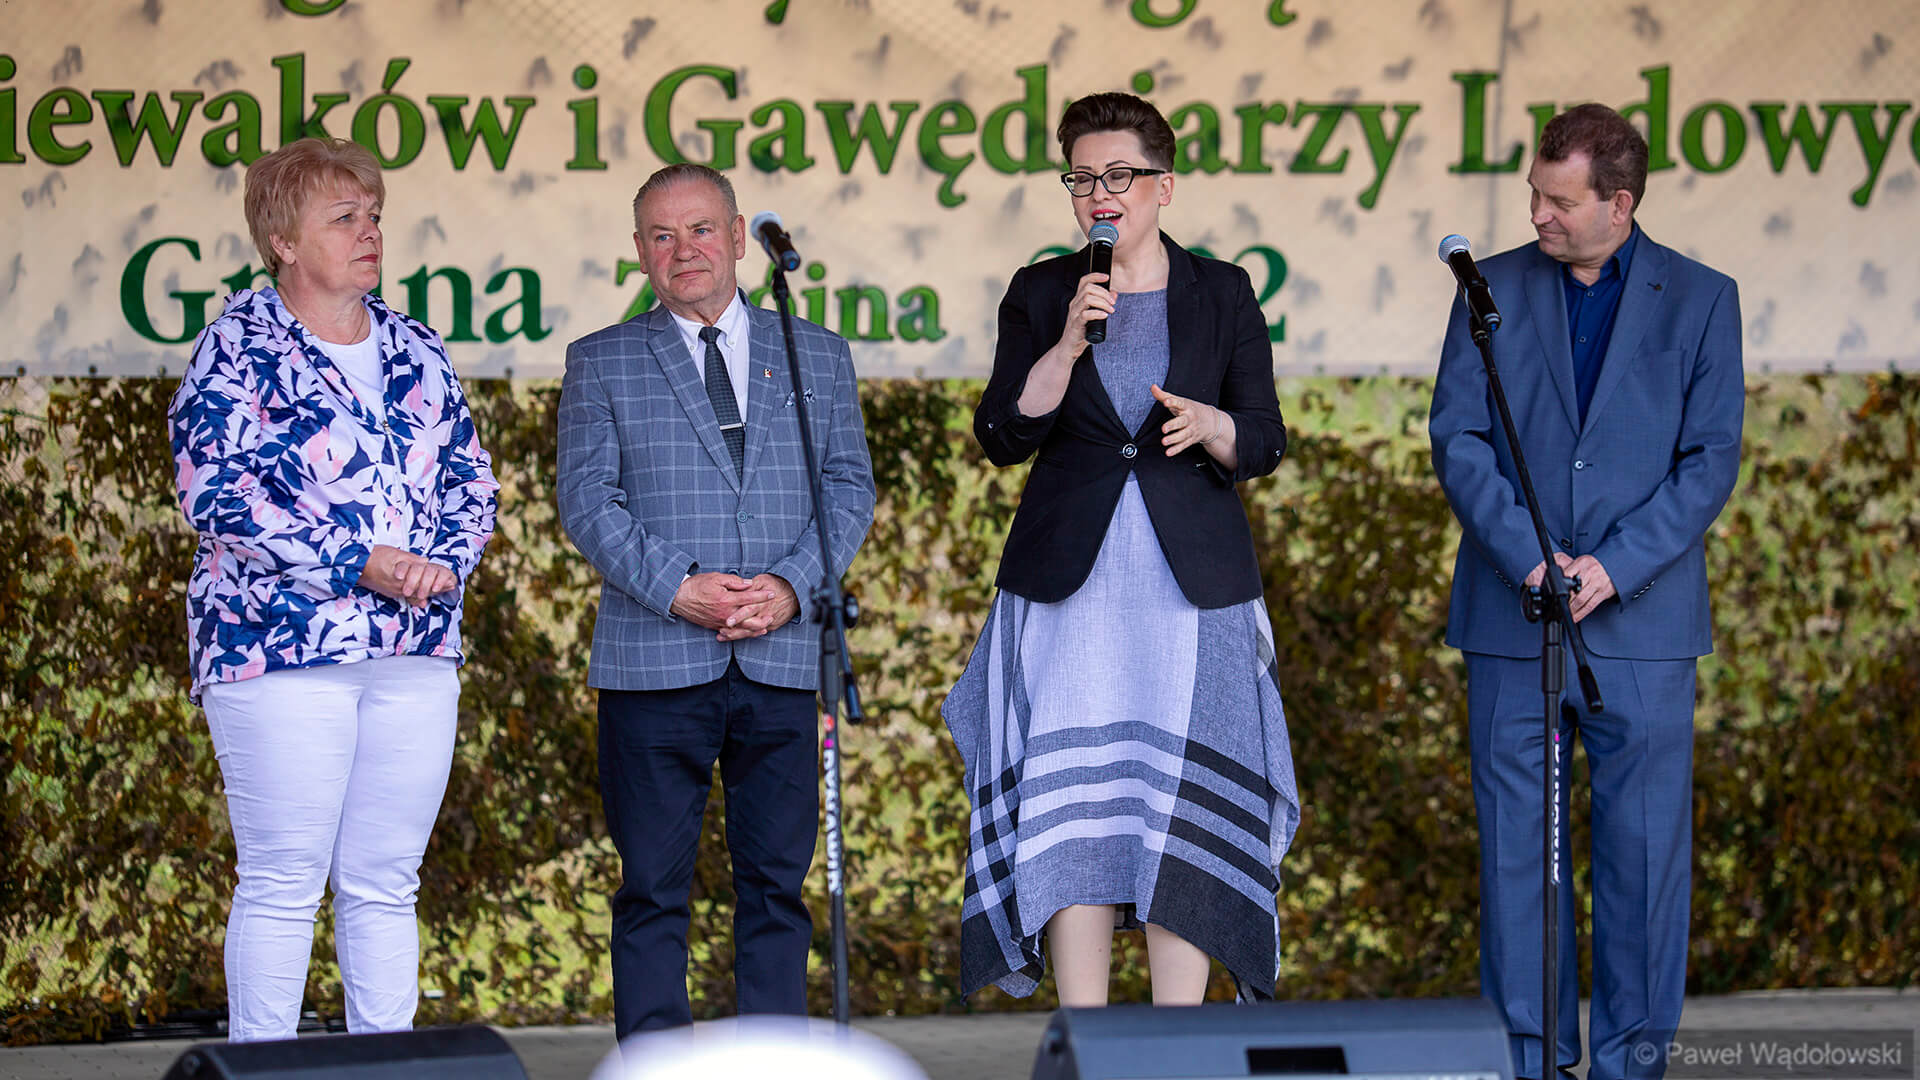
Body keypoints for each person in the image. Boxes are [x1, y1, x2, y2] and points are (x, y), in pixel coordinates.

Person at [943, 92, 1300, 1007]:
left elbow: (1264, 436)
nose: (1099, 194)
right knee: (1080, 812)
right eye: (1081, 179)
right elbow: (1001, 433)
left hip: (1191, 593)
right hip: (1071, 590)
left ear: (1163, 185)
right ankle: (1087, 1036)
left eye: (1119, 176)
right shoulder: (1041, 292)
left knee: (1181, 810)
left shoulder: (1222, 290)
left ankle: (1175, 1042)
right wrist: (1066, 344)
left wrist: (1216, 426)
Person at [1429, 103, 1744, 1080]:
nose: (1538, 215)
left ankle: (1630, 1064)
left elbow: (1711, 458)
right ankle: (1530, 1061)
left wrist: (1615, 565)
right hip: (1511, 612)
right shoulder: (1487, 288)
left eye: (1560, 202)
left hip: (1643, 623)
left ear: (1621, 203)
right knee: (1516, 858)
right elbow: (1457, 436)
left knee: (1645, 861)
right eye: (1534, 193)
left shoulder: (1703, 298)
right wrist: (1530, 557)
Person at [167, 136, 498, 1042]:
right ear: (282, 240)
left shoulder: (415, 345)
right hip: (278, 647)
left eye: (374, 215)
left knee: (386, 882)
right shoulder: (235, 345)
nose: (370, 232)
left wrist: (441, 564)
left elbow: (470, 478)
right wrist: (360, 561)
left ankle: (384, 1067)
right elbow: (216, 491)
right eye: (344, 217)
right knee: (284, 881)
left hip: (414, 646)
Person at [557, 163, 876, 1036]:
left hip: (782, 656)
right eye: (662, 236)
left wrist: (792, 586)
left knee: (777, 889)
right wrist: (678, 589)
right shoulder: (601, 359)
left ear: (739, 238)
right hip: (654, 661)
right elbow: (587, 503)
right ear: (639, 252)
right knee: (651, 890)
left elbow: (848, 488)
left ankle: (772, 1061)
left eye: (701, 229)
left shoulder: (816, 353)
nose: (684, 250)